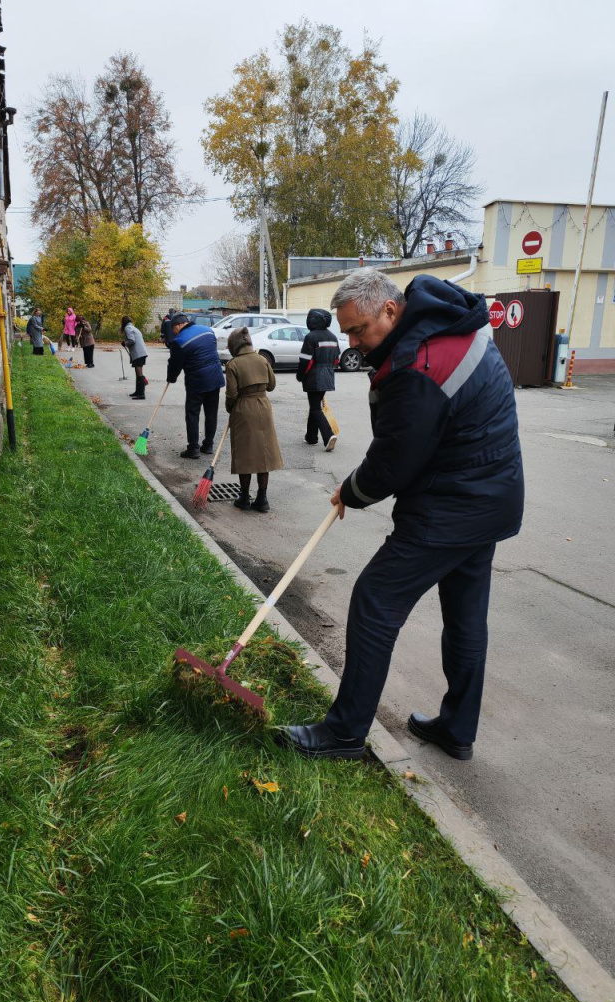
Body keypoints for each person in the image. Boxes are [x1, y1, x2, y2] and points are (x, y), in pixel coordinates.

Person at [276, 270, 524, 762]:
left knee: (375, 599)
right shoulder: (449, 320)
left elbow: (395, 459)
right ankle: (456, 728)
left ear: (391, 311)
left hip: (453, 503)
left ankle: (344, 733)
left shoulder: (417, 365)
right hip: (491, 496)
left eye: (359, 330)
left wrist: (353, 490)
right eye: (347, 331)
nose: (353, 343)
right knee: (466, 616)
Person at [225, 327, 283, 512]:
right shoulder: (262, 359)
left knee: (245, 453)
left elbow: (232, 394)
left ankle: (243, 497)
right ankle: (262, 498)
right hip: (263, 407)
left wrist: (230, 408)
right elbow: (272, 385)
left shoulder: (233, 364)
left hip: (243, 409)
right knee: (263, 452)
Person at [167, 312, 224, 459]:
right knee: (211, 412)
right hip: (215, 377)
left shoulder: (179, 341)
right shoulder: (208, 330)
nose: (172, 333)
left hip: (197, 381)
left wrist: (171, 378)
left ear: (178, 325)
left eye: (173, 328)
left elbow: (175, 364)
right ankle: (209, 445)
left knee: (192, 413)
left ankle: (193, 448)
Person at [297, 308, 339, 451]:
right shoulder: (333, 337)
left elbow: (306, 361)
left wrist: (301, 375)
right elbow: (336, 360)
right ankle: (311, 437)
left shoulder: (311, 337)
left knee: (315, 408)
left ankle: (329, 436)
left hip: (314, 376)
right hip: (328, 376)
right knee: (314, 406)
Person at [121, 316, 148, 399]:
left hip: (138, 354)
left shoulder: (128, 328)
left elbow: (132, 340)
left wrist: (125, 343)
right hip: (141, 353)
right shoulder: (132, 327)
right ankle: (138, 392)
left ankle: (141, 394)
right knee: (137, 373)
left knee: (139, 374)